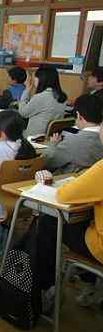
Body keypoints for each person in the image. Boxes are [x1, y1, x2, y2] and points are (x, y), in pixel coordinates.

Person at [36, 124, 103, 309]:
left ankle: (45, 289)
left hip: (100, 248)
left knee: (50, 221)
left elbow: (64, 195)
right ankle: (89, 282)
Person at [42, 94, 103, 174]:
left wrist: (52, 145)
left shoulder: (73, 141)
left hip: (68, 181)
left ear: (79, 115)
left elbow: (47, 163)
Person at [19, 65, 68, 137]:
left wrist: (27, 89)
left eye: (35, 77)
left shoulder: (41, 97)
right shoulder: (62, 96)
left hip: (34, 137)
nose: (33, 79)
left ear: (40, 79)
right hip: (49, 138)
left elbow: (22, 113)